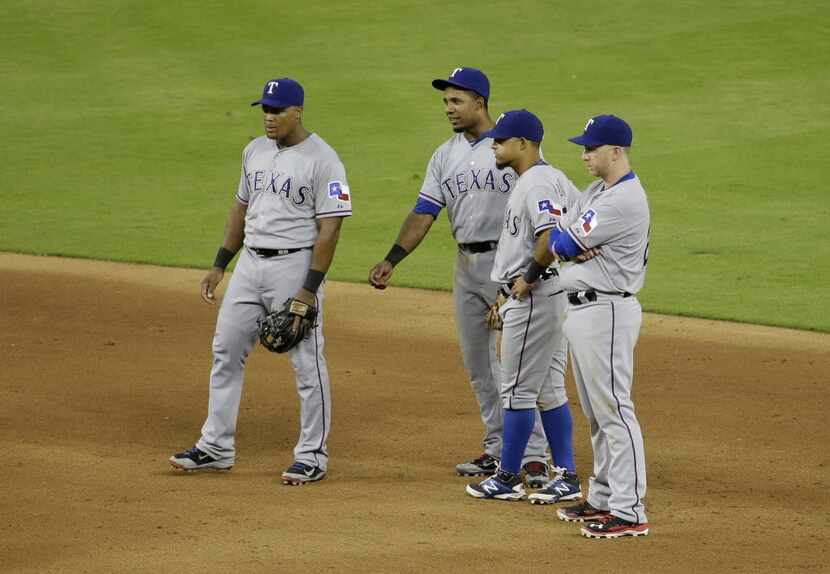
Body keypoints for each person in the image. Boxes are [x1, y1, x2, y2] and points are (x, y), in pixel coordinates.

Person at [368, 68, 550, 486]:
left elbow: (543, 196)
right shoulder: (444, 155)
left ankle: (536, 456)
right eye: (446, 102)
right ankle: (498, 448)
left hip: (510, 265)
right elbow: (424, 213)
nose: (448, 109)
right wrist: (392, 259)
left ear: (479, 103)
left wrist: (529, 271)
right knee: (479, 365)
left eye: (456, 101)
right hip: (466, 266)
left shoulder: (511, 146)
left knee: (514, 363)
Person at [169, 77, 352, 486]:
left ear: (298, 111)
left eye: (277, 110)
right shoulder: (254, 151)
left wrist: (309, 289)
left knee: (306, 361)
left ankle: (312, 455)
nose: (269, 118)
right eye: (265, 110)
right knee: (225, 350)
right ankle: (216, 447)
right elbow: (240, 209)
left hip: (294, 267)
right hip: (249, 265)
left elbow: (331, 229)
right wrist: (220, 263)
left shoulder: (324, 160)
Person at [464, 110, 583, 503]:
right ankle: (565, 475)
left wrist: (527, 278)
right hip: (549, 295)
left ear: (524, 144)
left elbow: (550, 237)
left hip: (535, 297)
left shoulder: (536, 183)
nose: (494, 145)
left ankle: (508, 477)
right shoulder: (554, 179)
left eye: (501, 139)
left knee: (515, 391)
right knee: (549, 389)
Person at [550, 115, 651, 538]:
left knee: (614, 409)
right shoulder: (597, 191)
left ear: (616, 151)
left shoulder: (620, 201)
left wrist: (570, 245)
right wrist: (569, 244)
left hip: (607, 311)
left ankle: (630, 511)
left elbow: (563, 243)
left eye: (591, 148)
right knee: (595, 411)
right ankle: (605, 496)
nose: (584, 155)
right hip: (585, 312)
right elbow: (558, 232)